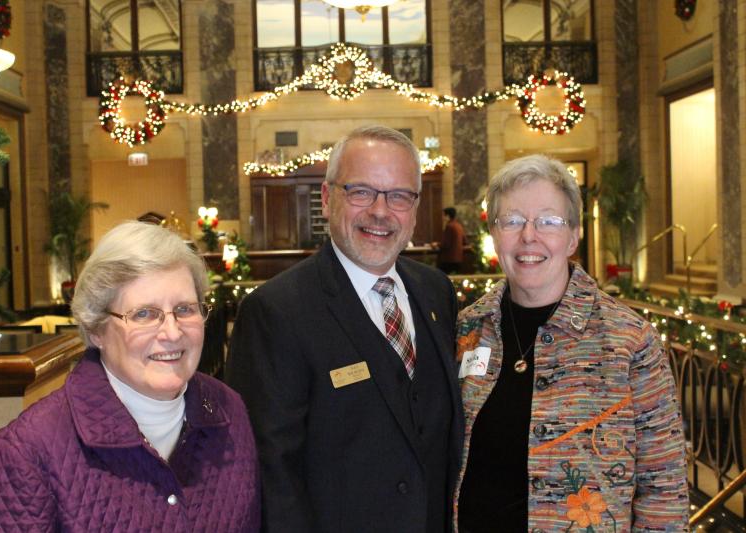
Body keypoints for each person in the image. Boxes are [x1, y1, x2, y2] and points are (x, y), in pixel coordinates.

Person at [226, 125, 463, 533]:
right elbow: (269, 474)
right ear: (326, 197)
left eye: (399, 196)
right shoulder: (275, 312)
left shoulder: (436, 292)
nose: (380, 211)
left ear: (416, 206)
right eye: (361, 192)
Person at [0, 221, 260, 532]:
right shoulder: (22, 457)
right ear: (95, 328)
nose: (172, 332)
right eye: (144, 314)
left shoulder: (230, 411)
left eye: (185, 309)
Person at [453, 155, 688, 531]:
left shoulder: (629, 340)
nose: (529, 236)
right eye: (512, 221)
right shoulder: (468, 331)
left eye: (548, 221)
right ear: (494, 235)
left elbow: (664, 484)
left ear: (574, 235)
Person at [437, 207, 466, 274]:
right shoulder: (459, 226)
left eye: (443, 215)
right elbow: (464, 241)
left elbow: (446, 244)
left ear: (448, 216)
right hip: (459, 259)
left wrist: (436, 244)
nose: (442, 217)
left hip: (448, 259)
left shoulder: (449, 226)